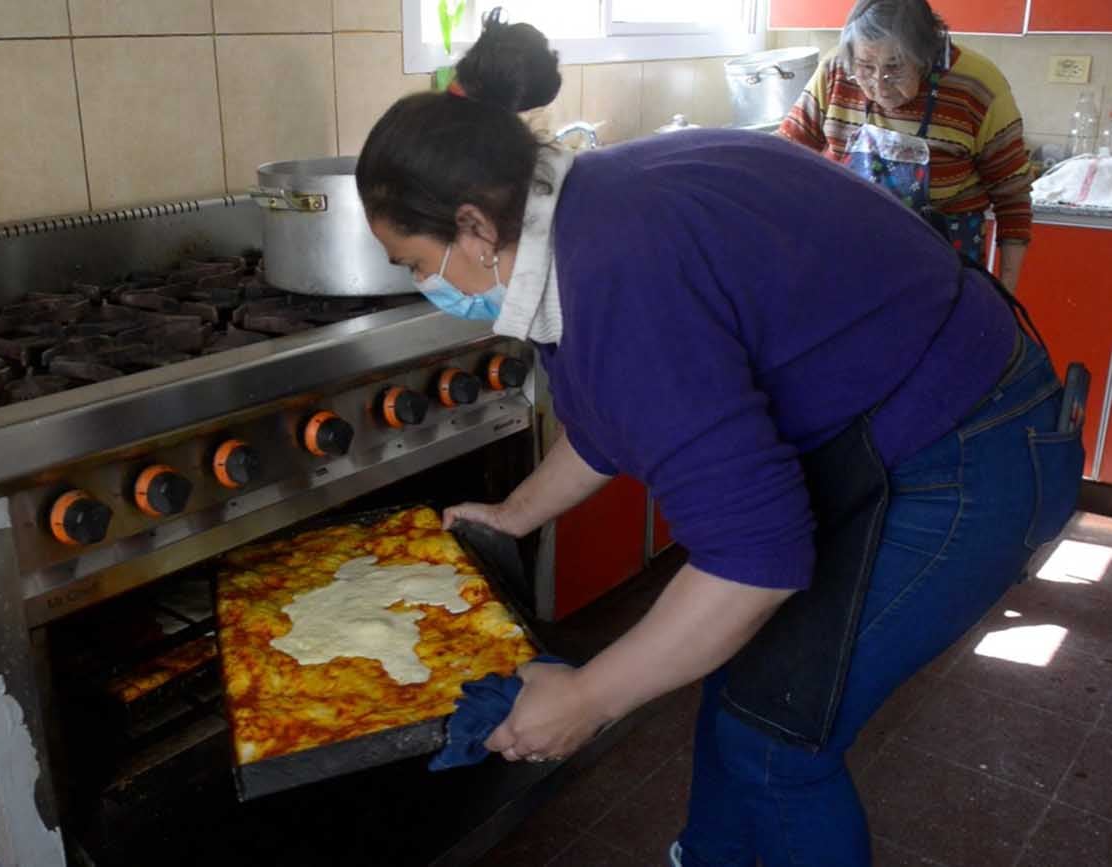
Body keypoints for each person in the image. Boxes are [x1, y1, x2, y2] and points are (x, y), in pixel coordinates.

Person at [356, 13, 1083, 867]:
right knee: (744, 691)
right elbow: (605, 420)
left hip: (972, 451)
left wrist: (589, 696)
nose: (420, 283)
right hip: (907, 425)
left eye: (412, 260)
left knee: (778, 742)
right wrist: (515, 513)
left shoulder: (620, 267)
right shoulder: (585, 208)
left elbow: (754, 559)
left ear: (476, 227)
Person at [779, 0, 1033, 291]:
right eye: (865, 68)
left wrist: (1005, 293)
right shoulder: (836, 70)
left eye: (895, 68)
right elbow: (784, 155)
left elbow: (1012, 198)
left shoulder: (976, 86)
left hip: (944, 270)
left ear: (926, 57)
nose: (879, 84)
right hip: (850, 259)